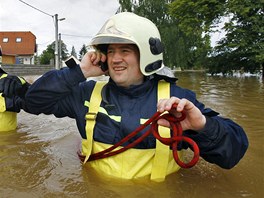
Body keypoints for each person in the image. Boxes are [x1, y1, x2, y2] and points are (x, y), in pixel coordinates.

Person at [3, 12, 248, 181]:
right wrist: (80, 72)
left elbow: (232, 155)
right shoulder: (87, 94)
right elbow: (33, 102)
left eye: (125, 50)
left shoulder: (176, 101)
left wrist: (202, 127)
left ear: (146, 54)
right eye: (110, 51)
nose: (116, 58)